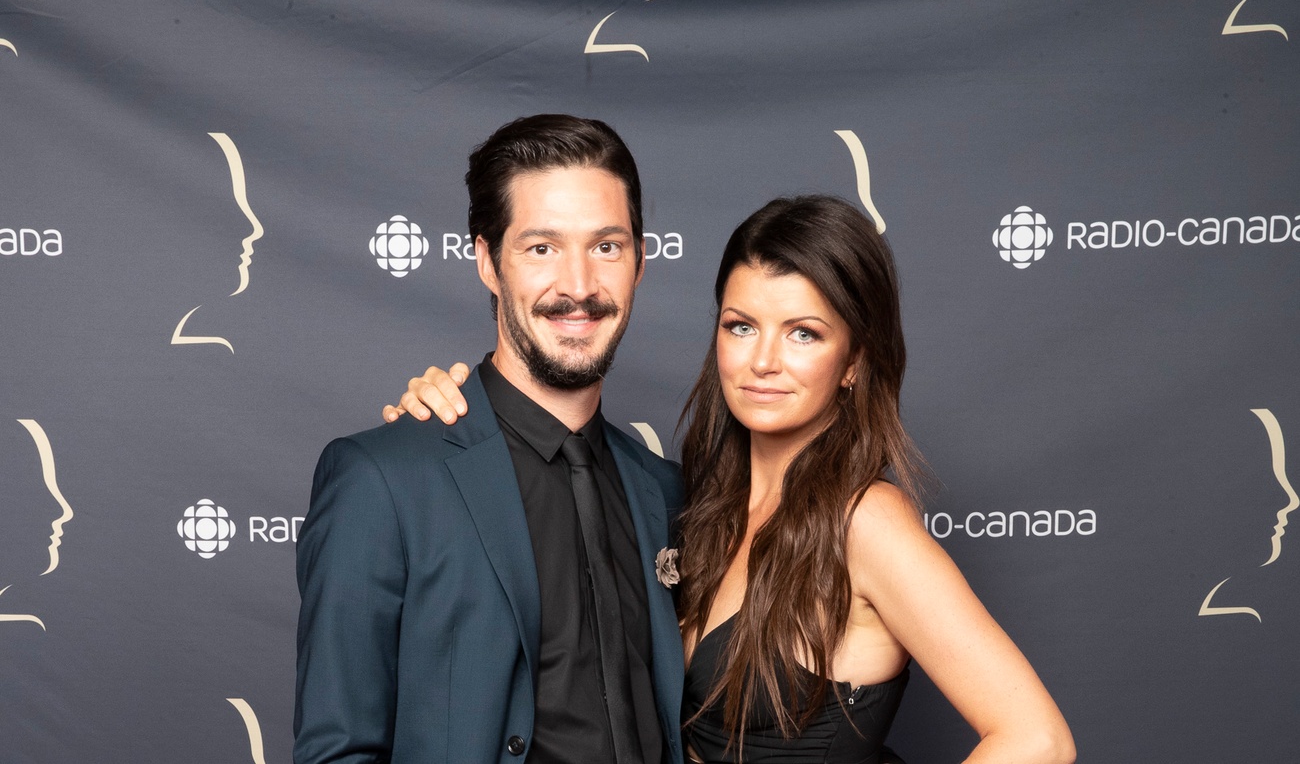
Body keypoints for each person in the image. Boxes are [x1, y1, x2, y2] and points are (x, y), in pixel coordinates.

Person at [386, 196, 1077, 763]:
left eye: (804, 333)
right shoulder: (686, 505)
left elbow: (1036, 738)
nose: (764, 361)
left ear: (854, 362)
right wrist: (447, 415)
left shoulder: (865, 522)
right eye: (742, 326)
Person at [295, 114, 687, 764]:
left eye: (607, 246)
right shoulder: (384, 480)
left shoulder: (666, 492)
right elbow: (336, 752)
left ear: (641, 262)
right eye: (541, 249)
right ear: (486, 260)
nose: (580, 286)